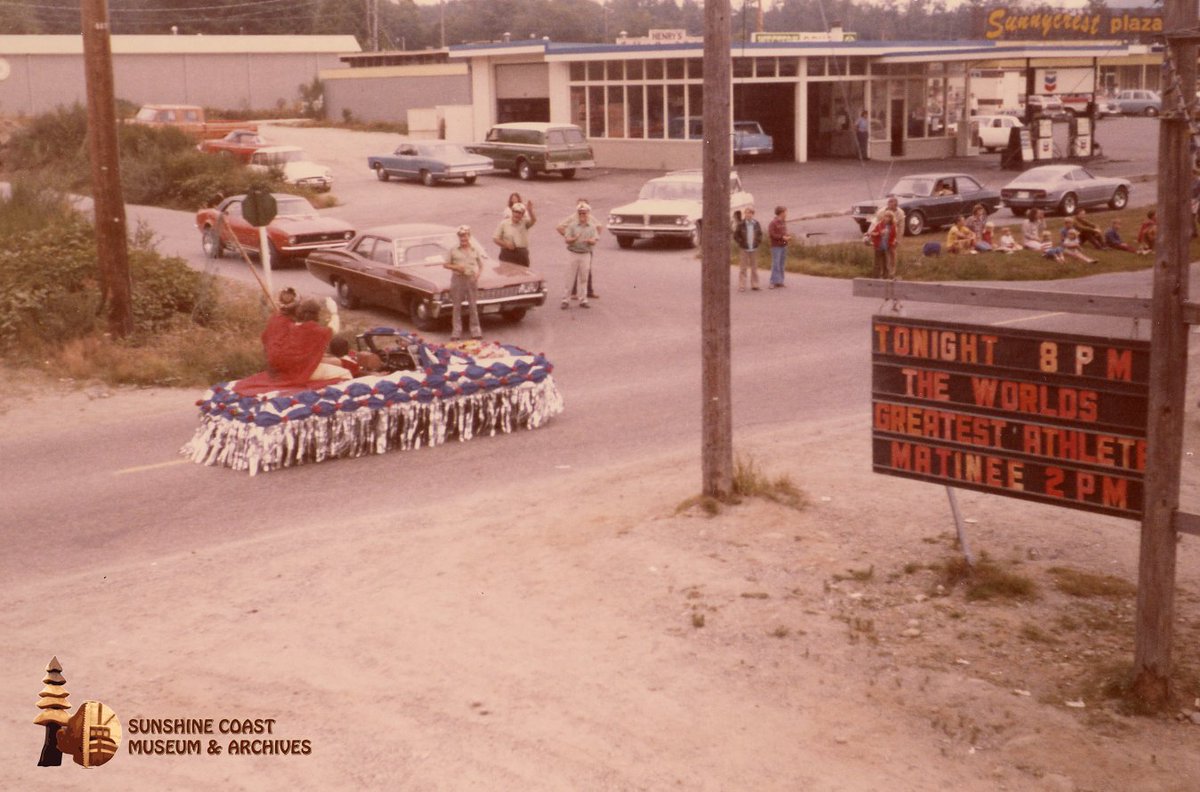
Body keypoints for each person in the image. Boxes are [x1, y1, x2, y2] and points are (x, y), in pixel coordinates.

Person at [557, 201, 602, 310]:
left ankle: (583, 299)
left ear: (588, 214)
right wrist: (574, 239)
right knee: (570, 277)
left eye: (584, 213)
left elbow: (595, 239)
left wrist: (590, 241)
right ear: (578, 214)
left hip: (586, 254)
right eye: (580, 213)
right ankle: (565, 300)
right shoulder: (572, 226)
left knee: (584, 277)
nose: (582, 215)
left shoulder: (591, 227)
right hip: (573, 253)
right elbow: (567, 240)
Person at [444, 225, 483, 340]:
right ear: (458, 237)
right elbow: (446, 264)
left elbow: (481, 265)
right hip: (458, 279)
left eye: (465, 236)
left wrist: (477, 275)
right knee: (457, 306)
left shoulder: (474, 249)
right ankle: (456, 332)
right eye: (461, 237)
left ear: (469, 236)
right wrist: (456, 267)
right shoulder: (453, 250)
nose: (463, 239)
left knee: (473, 306)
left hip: (471, 279)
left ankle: (476, 331)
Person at [493, 199, 536, 266]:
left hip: (522, 253)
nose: (517, 214)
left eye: (520, 213)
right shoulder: (504, 223)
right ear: (512, 212)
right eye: (516, 212)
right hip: (507, 253)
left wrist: (530, 211)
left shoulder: (525, 223)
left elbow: (533, 220)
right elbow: (495, 239)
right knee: (506, 274)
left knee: (523, 274)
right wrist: (506, 244)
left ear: (522, 214)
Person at [732, 206, 764, 291]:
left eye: (750, 213)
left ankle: (755, 284)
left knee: (754, 268)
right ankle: (742, 285)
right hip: (744, 248)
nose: (748, 215)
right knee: (743, 268)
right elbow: (736, 235)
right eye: (746, 213)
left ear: (753, 214)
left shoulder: (756, 224)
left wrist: (758, 242)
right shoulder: (741, 224)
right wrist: (741, 242)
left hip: (754, 248)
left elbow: (760, 234)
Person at [767, 206, 792, 288]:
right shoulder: (773, 223)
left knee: (781, 264)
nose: (786, 214)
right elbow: (772, 234)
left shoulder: (783, 222)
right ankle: (773, 282)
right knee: (776, 264)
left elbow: (785, 232)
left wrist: (787, 237)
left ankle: (780, 281)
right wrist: (782, 237)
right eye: (785, 212)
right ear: (781, 213)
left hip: (783, 245)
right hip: (776, 246)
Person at [869, 210, 898, 279]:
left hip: (887, 247)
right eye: (885, 216)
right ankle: (876, 277)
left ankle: (885, 277)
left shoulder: (892, 227)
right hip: (878, 246)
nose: (887, 218)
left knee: (886, 263)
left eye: (889, 217)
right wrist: (879, 233)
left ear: (891, 218)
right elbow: (872, 233)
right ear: (883, 217)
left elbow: (893, 236)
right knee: (877, 263)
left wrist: (893, 242)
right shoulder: (879, 225)